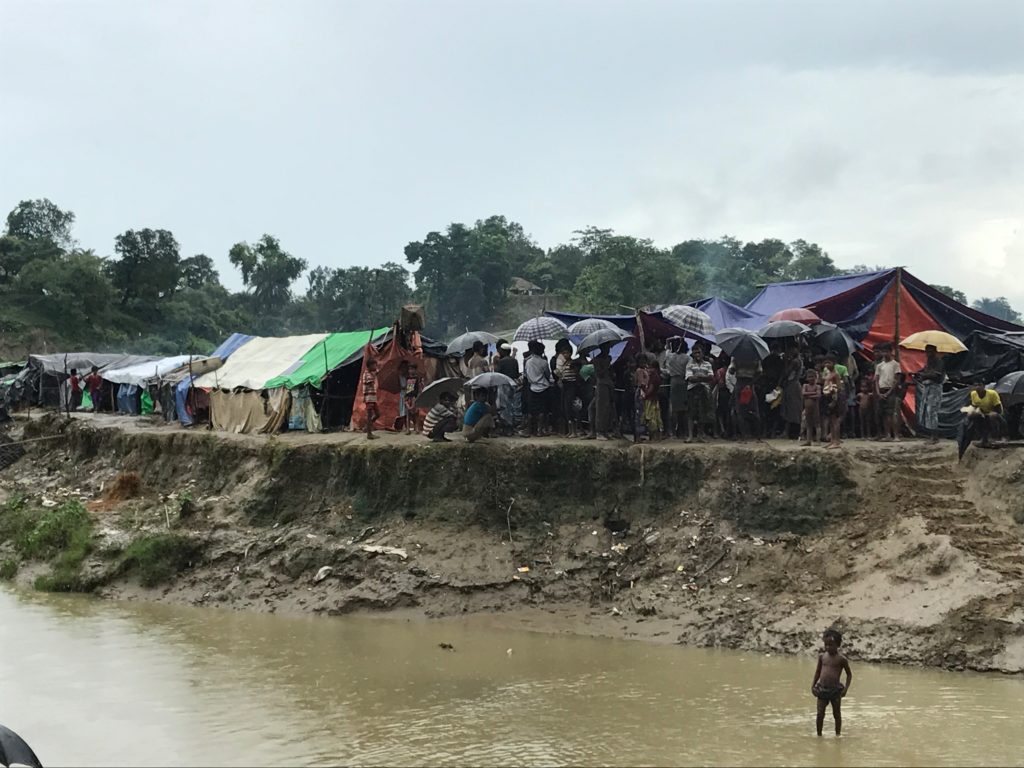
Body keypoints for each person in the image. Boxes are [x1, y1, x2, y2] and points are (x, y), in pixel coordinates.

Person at [811, 628, 853, 736]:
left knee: (837, 714)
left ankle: (838, 735)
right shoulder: (822, 657)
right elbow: (817, 672)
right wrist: (813, 686)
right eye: (826, 645)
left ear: (838, 645)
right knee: (820, 714)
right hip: (822, 689)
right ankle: (819, 735)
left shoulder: (841, 659)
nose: (828, 647)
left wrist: (845, 689)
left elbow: (849, 674)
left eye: (831, 645)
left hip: (835, 691)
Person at [586, 342, 616, 440]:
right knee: (600, 408)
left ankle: (604, 430)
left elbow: (611, 373)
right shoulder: (597, 359)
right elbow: (599, 373)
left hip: (608, 384)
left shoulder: (608, 358)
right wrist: (606, 366)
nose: (608, 350)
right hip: (602, 384)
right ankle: (599, 431)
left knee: (606, 408)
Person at [523, 340, 553, 436]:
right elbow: (548, 375)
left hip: (532, 388)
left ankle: (529, 430)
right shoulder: (544, 362)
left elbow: (526, 375)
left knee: (531, 411)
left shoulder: (528, 362)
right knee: (542, 410)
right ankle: (540, 431)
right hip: (544, 387)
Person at [916, 344, 945, 443]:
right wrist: (918, 373)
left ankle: (934, 436)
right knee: (927, 411)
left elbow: (936, 374)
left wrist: (924, 375)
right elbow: (925, 370)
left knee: (931, 411)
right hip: (928, 387)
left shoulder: (938, 361)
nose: (928, 353)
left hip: (934, 387)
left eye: (930, 351)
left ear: (935, 351)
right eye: (927, 351)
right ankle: (931, 435)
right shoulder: (929, 361)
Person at [685, 346, 714, 442]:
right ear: (692, 354)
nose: (697, 355)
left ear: (702, 353)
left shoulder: (708, 364)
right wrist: (703, 377)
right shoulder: (689, 364)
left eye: (699, 352)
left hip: (704, 389)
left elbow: (711, 377)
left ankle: (700, 435)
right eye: (695, 353)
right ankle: (690, 436)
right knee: (691, 413)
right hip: (692, 389)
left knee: (703, 413)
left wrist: (698, 376)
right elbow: (689, 378)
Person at [874, 344, 902, 442]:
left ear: (891, 352)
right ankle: (887, 435)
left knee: (892, 413)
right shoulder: (879, 365)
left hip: (891, 390)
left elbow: (896, 380)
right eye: (883, 351)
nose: (884, 353)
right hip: (881, 390)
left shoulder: (895, 364)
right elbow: (876, 380)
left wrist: (889, 392)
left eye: (886, 351)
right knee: (884, 414)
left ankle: (896, 435)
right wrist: (878, 392)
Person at [665, 338, 690, 438]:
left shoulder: (670, 356)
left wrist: (671, 339)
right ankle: (683, 432)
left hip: (673, 381)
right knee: (684, 409)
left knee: (674, 408)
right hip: (684, 381)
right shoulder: (688, 358)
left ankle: (673, 432)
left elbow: (667, 345)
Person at [553, 339, 579, 436]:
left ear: (570, 353)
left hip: (571, 386)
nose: (565, 355)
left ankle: (574, 431)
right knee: (565, 408)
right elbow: (560, 374)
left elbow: (576, 375)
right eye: (563, 353)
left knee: (569, 408)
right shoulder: (562, 364)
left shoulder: (572, 363)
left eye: (567, 353)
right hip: (565, 385)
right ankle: (570, 431)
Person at [968, 382, 1003, 448]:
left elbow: (998, 409)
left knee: (992, 416)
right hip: (982, 413)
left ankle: (993, 437)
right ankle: (983, 438)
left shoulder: (992, 393)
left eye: (979, 385)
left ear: (984, 386)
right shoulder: (973, 394)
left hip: (995, 413)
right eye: (975, 385)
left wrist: (988, 414)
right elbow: (974, 406)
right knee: (972, 415)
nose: (977, 387)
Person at [780, 347, 804, 440]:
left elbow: (787, 373)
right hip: (792, 385)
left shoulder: (795, 361)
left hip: (792, 385)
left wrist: (786, 363)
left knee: (792, 408)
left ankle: (792, 432)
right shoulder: (798, 360)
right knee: (791, 408)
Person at [822, 357, 844, 449]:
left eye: (829, 362)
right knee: (831, 420)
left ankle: (837, 441)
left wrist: (835, 400)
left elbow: (839, 388)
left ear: (834, 363)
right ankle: (832, 440)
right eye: (826, 362)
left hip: (834, 397)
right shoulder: (828, 374)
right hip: (828, 397)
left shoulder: (836, 374)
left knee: (835, 421)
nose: (827, 364)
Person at [641, 360, 663, 440]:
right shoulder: (654, 376)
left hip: (651, 400)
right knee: (655, 418)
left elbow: (651, 389)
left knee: (651, 418)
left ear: (655, 368)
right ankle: (654, 437)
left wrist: (644, 395)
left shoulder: (654, 377)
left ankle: (654, 437)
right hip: (653, 399)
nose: (649, 370)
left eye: (650, 368)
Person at [397, 360, 420, 435]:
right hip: (408, 397)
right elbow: (408, 389)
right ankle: (408, 428)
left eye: (412, 369)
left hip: (414, 397)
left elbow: (417, 389)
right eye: (409, 369)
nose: (411, 371)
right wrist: (406, 397)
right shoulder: (408, 378)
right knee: (408, 414)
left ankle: (416, 427)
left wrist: (416, 397)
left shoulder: (417, 378)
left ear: (416, 370)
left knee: (416, 414)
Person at [801, 369, 822, 446]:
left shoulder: (818, 386)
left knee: (817, 424)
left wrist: (808, 395)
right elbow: (803, 393)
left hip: (815, 408)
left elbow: (819, 395)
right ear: (806, 378)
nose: (811, 378)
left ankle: (818, 441)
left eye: (813, 377)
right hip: (807, 408)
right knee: (808, 424)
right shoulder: (805, 385)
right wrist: (813, 394)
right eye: (809, 377)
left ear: (816, 377)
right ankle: (808, 441)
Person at [362, 358, 380, 440]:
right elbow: (371, 381)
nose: (375, 367)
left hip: (373, 397)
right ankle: (369, 433)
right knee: (369, 415)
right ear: (370, 366)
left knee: (377, 414)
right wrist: (376, 374)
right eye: (374, 365)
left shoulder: (371, 373)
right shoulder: (366, 374)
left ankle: (367, 427)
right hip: (369, 397)